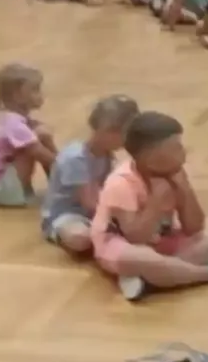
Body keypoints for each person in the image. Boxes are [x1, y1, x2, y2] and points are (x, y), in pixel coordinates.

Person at [89, 110, 208, 301]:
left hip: (161, 240)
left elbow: (194, 227)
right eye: (175, 148)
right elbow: (136, 238)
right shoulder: (120, 183)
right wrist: (155, 202)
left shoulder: (175, 173)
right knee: (143, 258)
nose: (183, 152)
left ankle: (151, 279)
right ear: (151, 158)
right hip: (120, 245)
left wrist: (185, 190)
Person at [40, 94, 139, 255]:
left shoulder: (105, 154)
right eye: (124, 134)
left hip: (94, 214)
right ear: (109, 131)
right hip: (68, 216)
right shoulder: (76, 158)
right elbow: (90, 203)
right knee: (81, 238)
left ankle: (106, 237)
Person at [0, 63, 58, 208]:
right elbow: (41, 153)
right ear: (18, 96)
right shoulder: (13, 123)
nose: (41, 94)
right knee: (38, 141)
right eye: (35, 90)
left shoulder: (5, 116)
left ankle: (59, 184)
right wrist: (67, 166)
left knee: (38, 136)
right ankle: (64, 184)